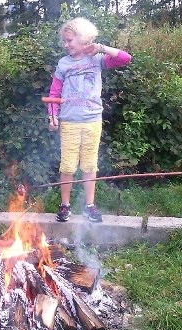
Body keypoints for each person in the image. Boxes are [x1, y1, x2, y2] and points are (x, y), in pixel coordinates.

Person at [47, 17, 132, 223]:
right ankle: (65, 205)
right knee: (67, 166)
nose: (66, 44)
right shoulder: (63, 63)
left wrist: (101, 47)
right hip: (69, 121)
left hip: (93, 120)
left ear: (83, 39)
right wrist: (52, 115)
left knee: (89, 165)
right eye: (64, 41)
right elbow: (54, 92)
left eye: (69, 40)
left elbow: (125, 58)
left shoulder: (96, 59)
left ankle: (89, 205)